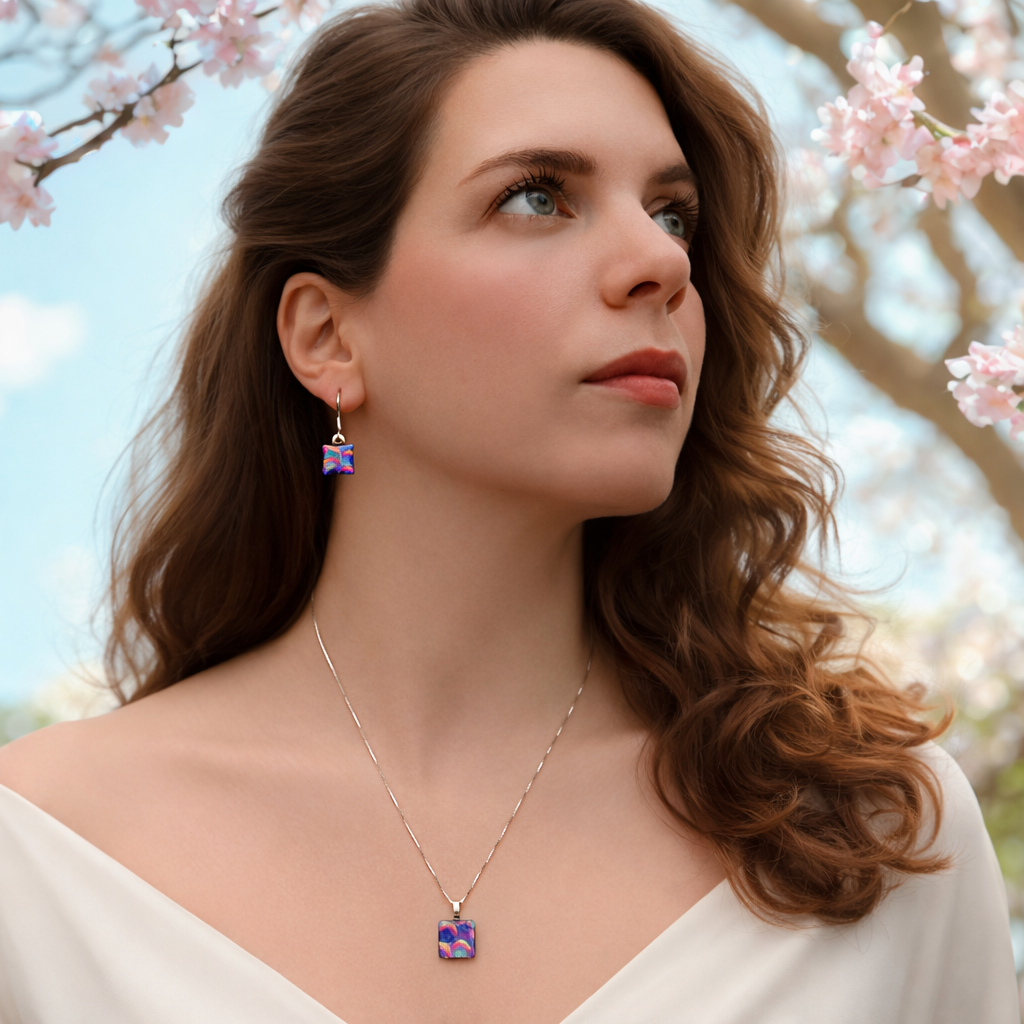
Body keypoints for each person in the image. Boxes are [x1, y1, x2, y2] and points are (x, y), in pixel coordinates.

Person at [0, 0, 1018, 1020]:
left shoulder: (877, 836)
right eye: (537, 198)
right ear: (326, 338)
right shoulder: (36, 860)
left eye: (673, 214)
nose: (661, 263)